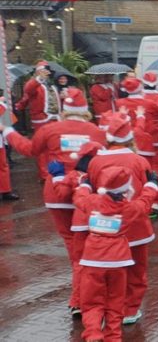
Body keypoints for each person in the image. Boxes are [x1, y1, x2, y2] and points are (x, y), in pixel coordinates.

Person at [2, 89, 105, 315]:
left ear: (63, 110)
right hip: (85, 192)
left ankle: (79, 297)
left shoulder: (50, 129)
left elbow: (28, 149)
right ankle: (84, 296)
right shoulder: (96, 132)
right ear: (84, 110)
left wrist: (8, 131)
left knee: (71, 245)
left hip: (56, 193)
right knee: (86, 244)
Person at [70, 166, 158, 342]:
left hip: (93, 260)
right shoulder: (130, 208)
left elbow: (78, 197)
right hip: (118, 262)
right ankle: (113, 336)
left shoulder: (92, 202)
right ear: (126, 189)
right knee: (115, 301)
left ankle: (93, 333)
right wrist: (152, 183)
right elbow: (145, 201)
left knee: (91, 301)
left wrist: (86, 184)